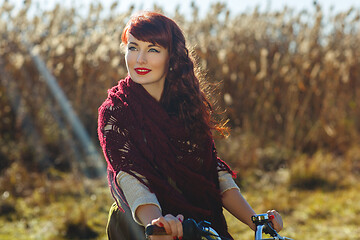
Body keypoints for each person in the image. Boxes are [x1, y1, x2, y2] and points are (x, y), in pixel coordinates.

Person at [97, 11, 283, 240]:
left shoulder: (186, 102)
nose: (139, 59)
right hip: (138, 222)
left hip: (192, 219)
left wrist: (255, 220)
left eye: (152, 49)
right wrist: (156, 223)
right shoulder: (116, 110)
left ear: (171, 56)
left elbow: (210, 171)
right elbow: (129, 175)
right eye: (133, 47)